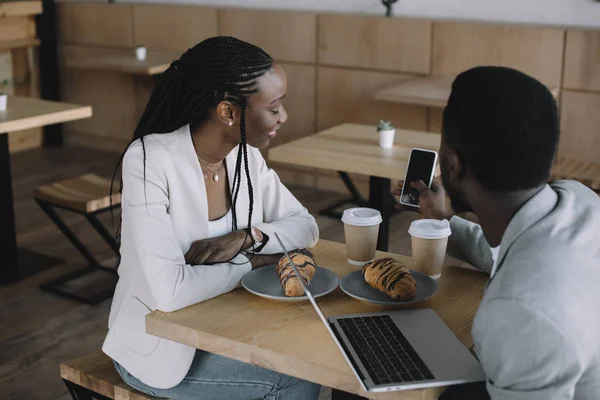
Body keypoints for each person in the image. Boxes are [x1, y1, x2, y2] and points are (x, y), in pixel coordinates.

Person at [102, 36, 321, 400]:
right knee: (296, 378)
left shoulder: (245, 157)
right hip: (159, 349)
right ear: (228, 113)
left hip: (227, 329)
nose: (284, 117)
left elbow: (305, 226)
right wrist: (252, 264)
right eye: (274, 107)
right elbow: (171, 293)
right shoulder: (149, 160)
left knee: (311, 350)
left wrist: (247, 237)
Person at [395, 66, 600, 399]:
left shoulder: (520, 310)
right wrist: (445, 218)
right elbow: (515, 252)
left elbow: (526, 291)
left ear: (453, 165)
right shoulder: (579, 200)